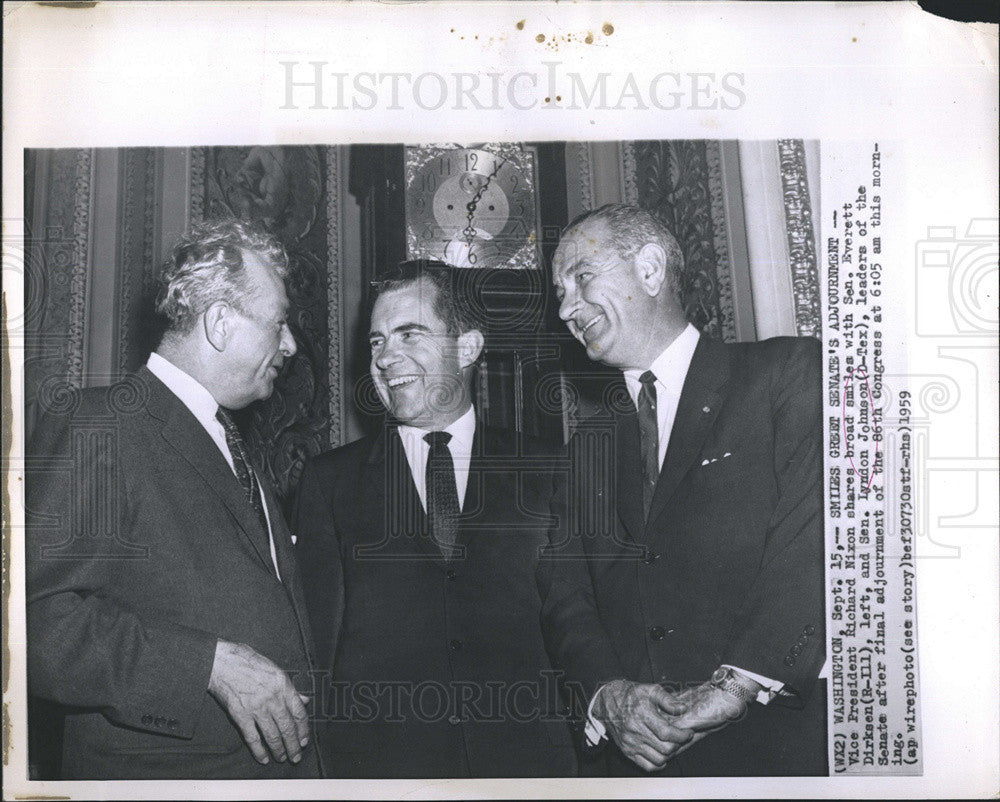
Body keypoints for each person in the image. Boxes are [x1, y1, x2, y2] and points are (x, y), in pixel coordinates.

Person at [26, 218, 321, 779]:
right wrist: (207, 665)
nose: (289, 344)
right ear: (218, 323)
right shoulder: (103, 425)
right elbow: (35, 625)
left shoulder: (229, 437)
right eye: (279, 324)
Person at [542, 204, 826, 777]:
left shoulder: (786, 374)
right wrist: (608, 694)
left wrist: (738, 683)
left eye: (581, 277)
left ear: (650, 270)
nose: (566, 308)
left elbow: (814, 538)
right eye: (559, 292)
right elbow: (564, 591)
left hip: (772, 751)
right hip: (634, 764)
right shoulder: (585, 447)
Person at [292, 260, 577, 778]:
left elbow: (576, 625)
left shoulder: (549, 469)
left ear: (467, 348)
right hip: (382, 773)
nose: (385, 358)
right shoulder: (328, 483)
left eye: (410, 334)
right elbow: (316, 649)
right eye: (376, 341)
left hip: (530, 767)